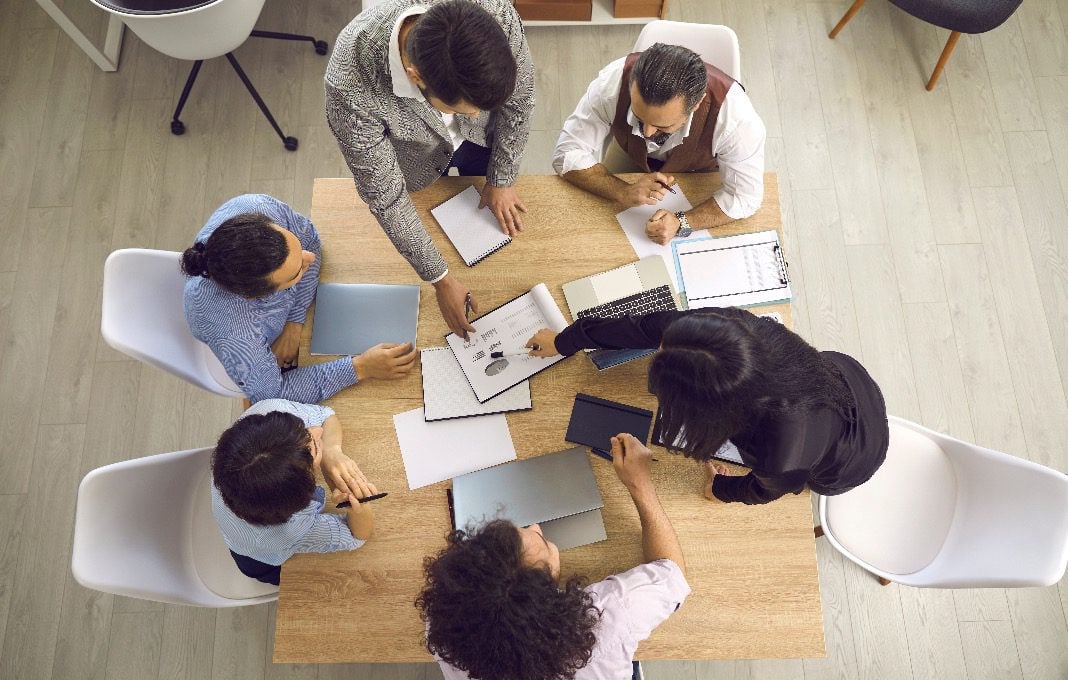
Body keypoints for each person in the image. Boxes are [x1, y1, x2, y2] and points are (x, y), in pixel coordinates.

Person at [325, 0, 535, 339]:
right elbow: (387, 197)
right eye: (461, 108)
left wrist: (502, 177)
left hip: (483, 145)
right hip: (413, 163)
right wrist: (440, 279)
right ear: (415, 75)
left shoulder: (494, 11)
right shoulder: (349, 83)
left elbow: (520, 100)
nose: (472, 116)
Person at [526, 309, 889, 505]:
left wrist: (719, 490)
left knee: (812, 481)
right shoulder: (722, 329)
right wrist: (565, 341)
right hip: (846, 377)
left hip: (847, 463)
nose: (660, 347)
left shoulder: (782, 452)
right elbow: (642, 328)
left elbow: (766, 491)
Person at [417, 433, 690, 680]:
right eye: (541, 540)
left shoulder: (444, 623)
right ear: (550, 591)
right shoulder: (611, 618)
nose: (536, 526)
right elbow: (672, 573)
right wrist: (641, 484)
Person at [181, 194, 417, 404]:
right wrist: (360, 367)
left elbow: (311, 240)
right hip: (252, 352)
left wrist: (294, 324)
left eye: (292, 242)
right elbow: (271, 396)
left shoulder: (255, 206)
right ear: (259, 295)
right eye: (296, 273)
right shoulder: (237, 335)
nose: (310, 258)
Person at [553, 42, 766, 245]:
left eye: (662, 126)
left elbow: (745, 198)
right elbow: (567, 153)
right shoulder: (613, 83)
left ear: (697, 103)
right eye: (639, 117)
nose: (646, 133)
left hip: (700, 168)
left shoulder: (738, 121)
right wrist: (622, 191)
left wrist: (682, 222)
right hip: (628, 151)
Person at [211, 399, 378, 585]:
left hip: (238, 517)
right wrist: (360, 508)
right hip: (258, 557)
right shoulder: (287, 531)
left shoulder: (269, 411)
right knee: (293, 579)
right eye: (314, 446)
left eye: (304, 431)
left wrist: (331, 450)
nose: (318, 431)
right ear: (302, 497)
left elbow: (326, 415)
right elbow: (357, 536)